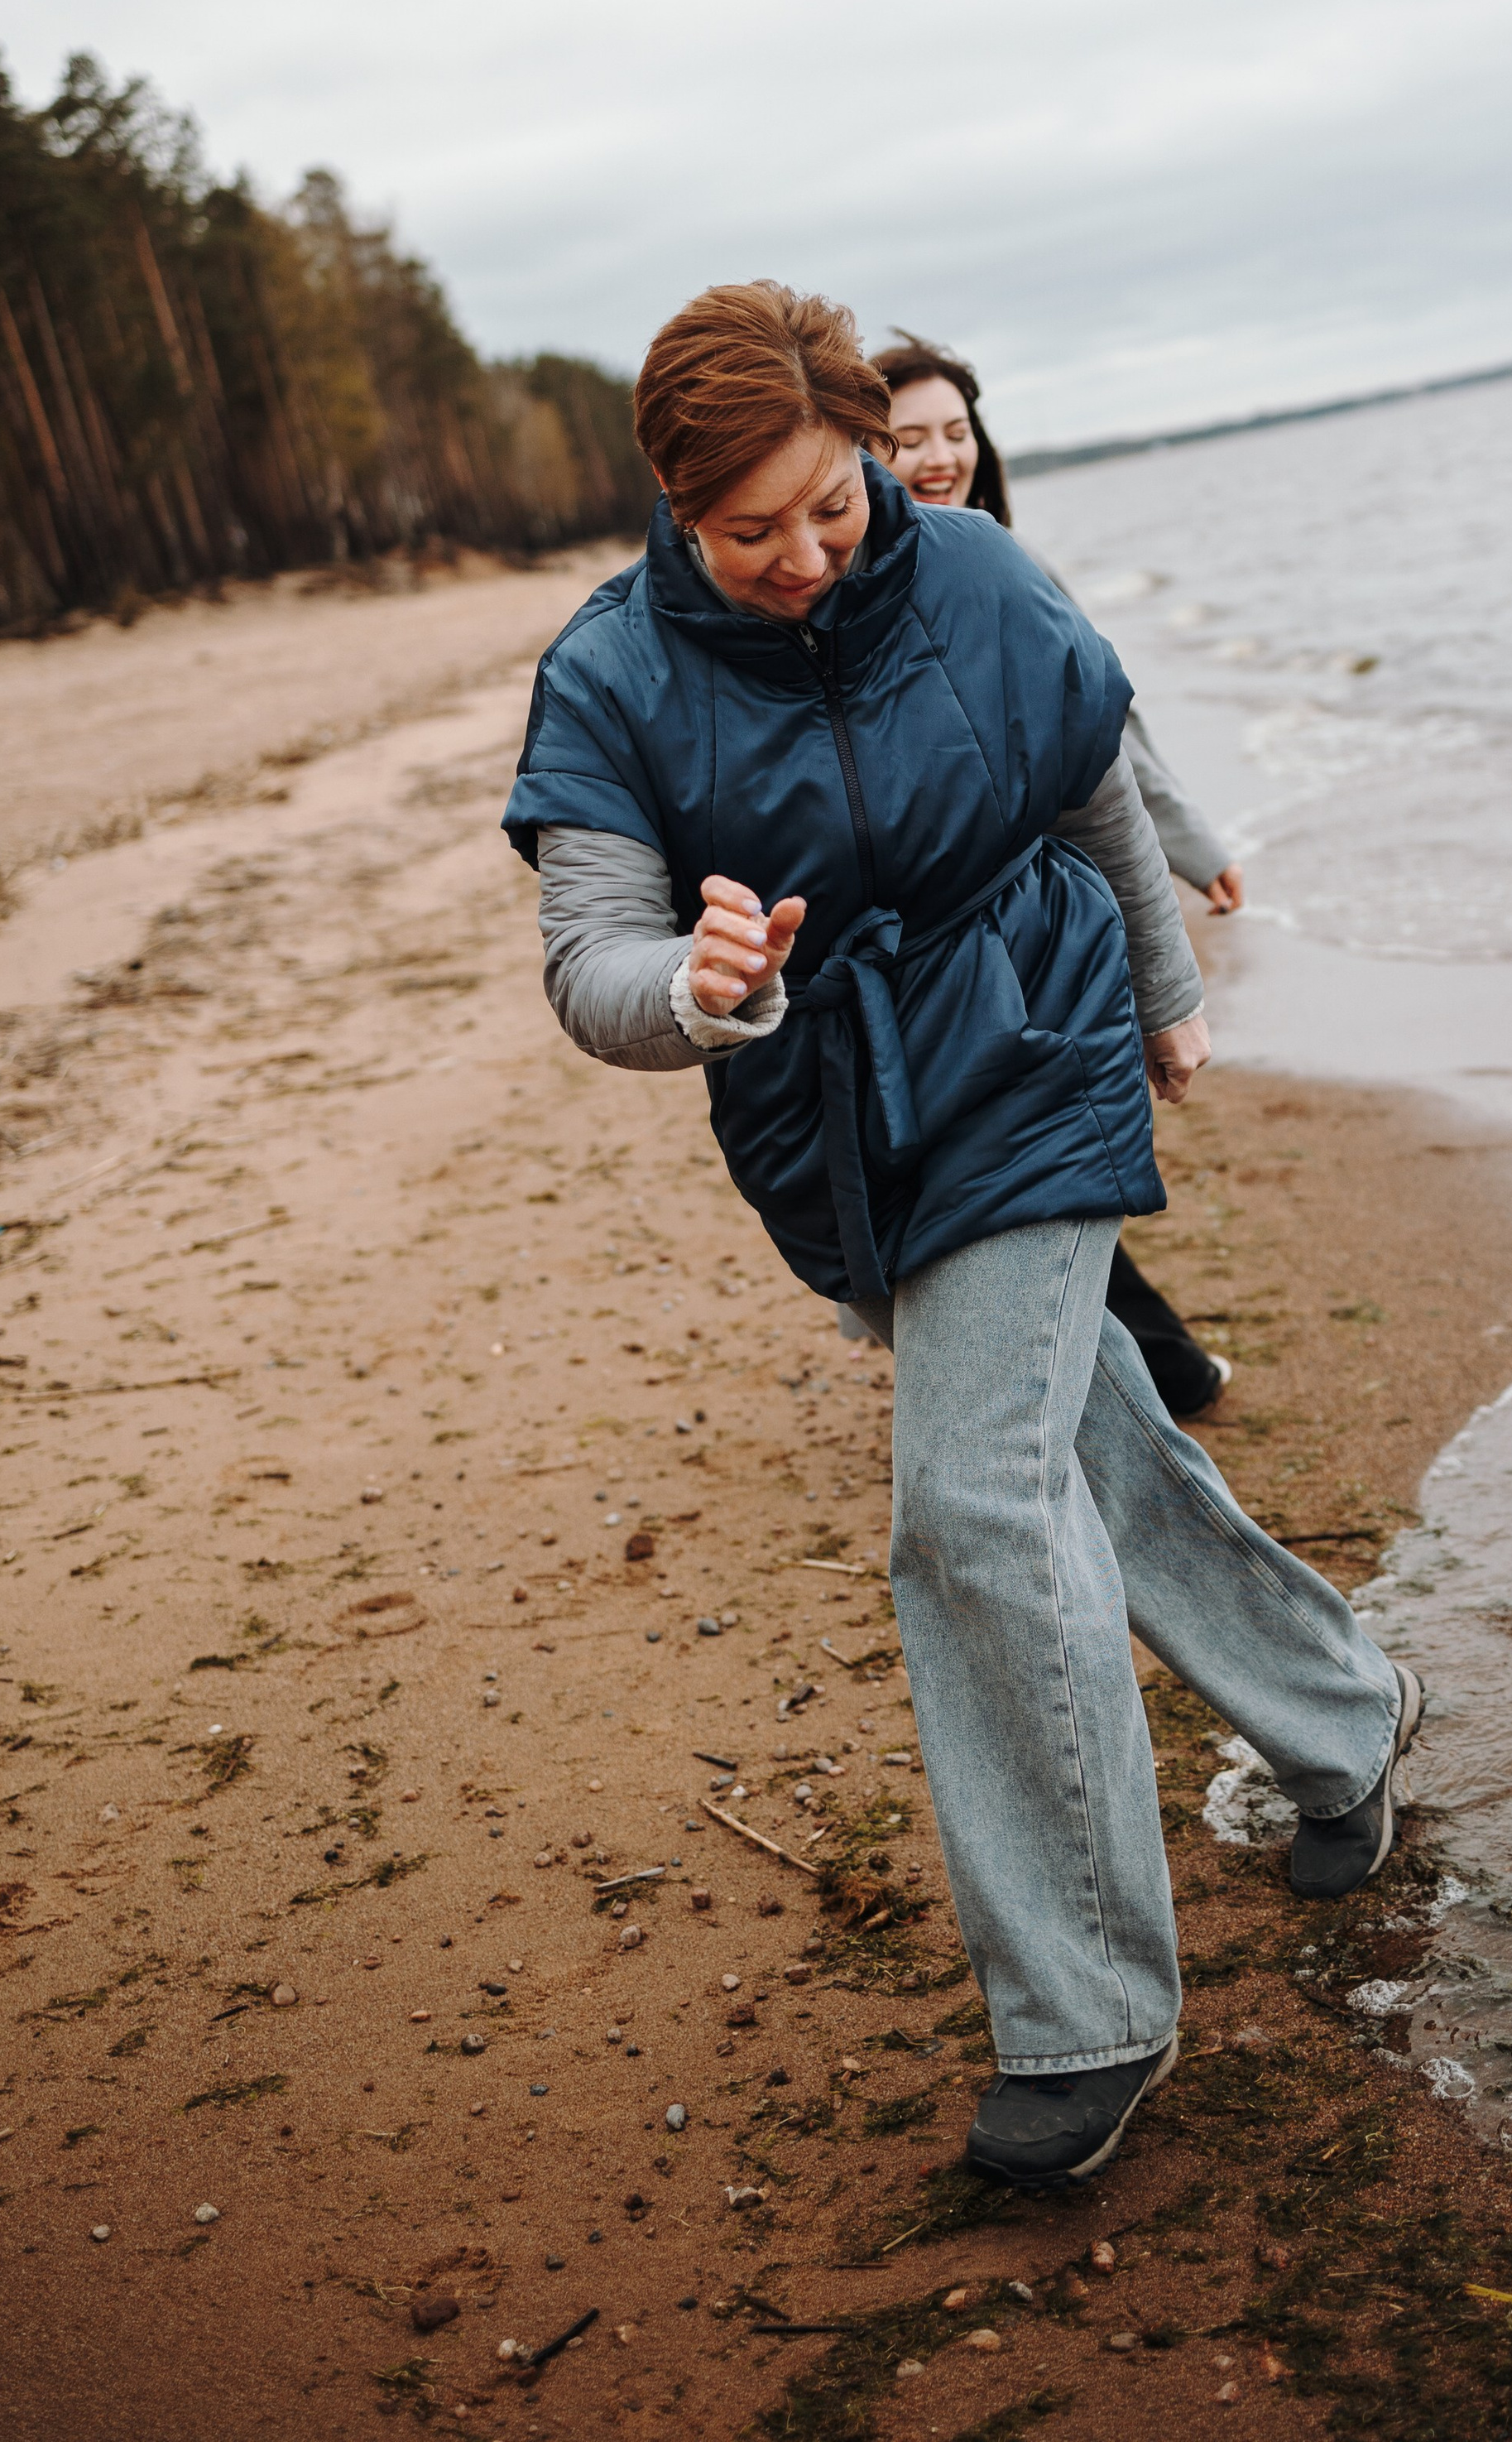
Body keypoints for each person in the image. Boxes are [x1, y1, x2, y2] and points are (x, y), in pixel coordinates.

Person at [504, 281, 1420, 2194]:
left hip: (1030, 1039)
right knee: (1085, 1440)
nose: (805, 555)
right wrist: (698, 981)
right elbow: (588, 959)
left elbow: (1089, 778)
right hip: (826, 1120)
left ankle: (1084, 2014)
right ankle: (1345, 1717)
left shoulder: (977, 572)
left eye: (830, 507)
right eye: (750, 530)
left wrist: (1165, 990)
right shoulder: (606, 678)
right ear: (673, 503)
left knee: (969, 1511)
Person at [874, 338, 1238, 1419]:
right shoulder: (861, 581)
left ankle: (1142, 1365)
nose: (939, 458)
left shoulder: (1001, 562)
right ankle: (1138, 1367)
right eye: (906, 440)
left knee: (1047, 1144)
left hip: (1051, 903)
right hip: (952, 920)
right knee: (1025, 1147)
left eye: (955, 431)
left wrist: (1191, 840)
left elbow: (1107, 732)